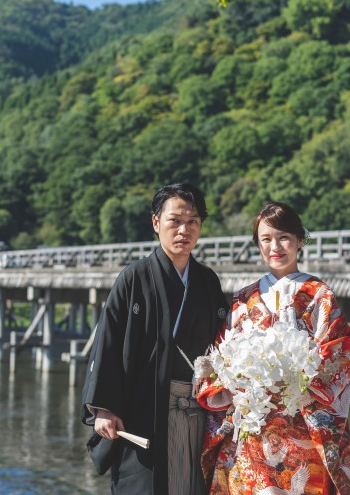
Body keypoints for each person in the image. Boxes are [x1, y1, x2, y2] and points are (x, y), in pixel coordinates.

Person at [81, 183, 230, 494]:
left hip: (197, 410)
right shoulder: (134, 278)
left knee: (193, 484)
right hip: (144, 409)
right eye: (175, 220)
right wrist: (104, 408)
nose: (184, 230)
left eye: (193, 221)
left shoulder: (207, 281)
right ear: (156, 222)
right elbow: (108, 344)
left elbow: (224, 342)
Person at [197, 202, 350, 495]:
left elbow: (338, 355)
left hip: (301, 427)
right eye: (266, 239)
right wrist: (235, 382)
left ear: (299, 240)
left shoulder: (320, 296)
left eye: (283, 237)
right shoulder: (243, 298)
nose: (275, 247)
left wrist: (297, 379)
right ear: (257, 244)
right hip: (252, 426)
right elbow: (219, 355)